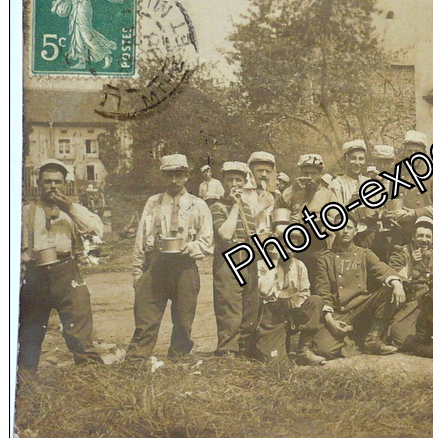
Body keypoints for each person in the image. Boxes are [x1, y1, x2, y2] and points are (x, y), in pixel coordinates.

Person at [18, 159, 105, 372]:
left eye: (57, 182)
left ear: (65, 184)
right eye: (47, 182)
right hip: (35, 275)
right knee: (31, 331)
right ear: (38, 184)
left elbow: (96, 231)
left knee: (79, 328)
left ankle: (91, 377)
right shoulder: (25, 211)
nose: (53, 186)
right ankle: (26, 383)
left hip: (66, 272)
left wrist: (70, 208)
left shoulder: (73, 210)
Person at [126, 154, 213, 362]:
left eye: (179, 175)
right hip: (156, 265)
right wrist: (137, 273)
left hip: (185, 266)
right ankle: (136, 359)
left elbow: (207, 243)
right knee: (146, 317)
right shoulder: (153, 203)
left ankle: (178, 357)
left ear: (186, 176)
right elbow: (140, 240)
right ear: (163, 176)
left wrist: (188, 247)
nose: (174, 180)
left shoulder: (198, 205)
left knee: (184, 319)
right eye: (169, 175)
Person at [311, 213, 406, 358]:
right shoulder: (324, 259)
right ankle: (354, 338)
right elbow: (323, 292)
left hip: (363, 308)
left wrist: (397, 284)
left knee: (389, 288)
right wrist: (330, 320)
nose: (345, 231)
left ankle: (372, 339)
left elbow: (383, 269)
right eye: (340, 227)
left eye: (349, 227)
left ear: (356, 231)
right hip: (340, 313)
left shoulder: (364, 254)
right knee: (324, 350)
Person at [251, 209, 327, 366]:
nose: (289, 249)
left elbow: (305, 292)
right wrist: (273, 263)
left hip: (293, 314)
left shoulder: (299, 266)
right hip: (271, 317)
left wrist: (298, 301)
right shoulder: (262, 264)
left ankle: (303, 350)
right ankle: (264, 345)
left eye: (294, 244)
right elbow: (263, 292)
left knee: (315, 301)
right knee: (276, 363)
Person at [209, 162, 261, 358]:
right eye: (230, 180)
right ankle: (227, 351)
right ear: (223, 182)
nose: (234, 184)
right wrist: (236, 206)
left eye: (238, 180)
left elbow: (252, 234)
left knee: (250, 305)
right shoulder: (217, 206)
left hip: (248, 259)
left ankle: (244, 349)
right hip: (227, 260)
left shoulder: (247, 207)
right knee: (229, 307)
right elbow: (225, 233)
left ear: (244, 182)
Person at [387, 216, 433, 349]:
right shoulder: (401, 252)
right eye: (420, 236)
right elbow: (393, 278)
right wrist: (411, 264)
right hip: (412, 304)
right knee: (400, 337)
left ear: (432, 239)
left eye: (428, 237)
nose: (424, 240)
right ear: (413, 237)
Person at [50, 0, 123, 70]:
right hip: (80, 7)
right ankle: (82, 60)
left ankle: (105, 53)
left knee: (85, 35)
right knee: (78, 33)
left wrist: (55, 5)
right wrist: (115, 0)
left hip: (82, 8)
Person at [388, 130, 433, 259]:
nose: (412, 155)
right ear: (404, 151)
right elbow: (391, 203)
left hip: (429, 238)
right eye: (409, 151)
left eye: (417, 152)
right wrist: (391, 213)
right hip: (403, 236)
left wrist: (413, 213)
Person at [280, 154, 335, 279]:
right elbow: (278, 207)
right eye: (306, 173)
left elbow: (337, 218)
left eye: (314, 173)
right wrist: (293, 189)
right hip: (292, 244)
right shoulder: (293, 190)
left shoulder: (327, 195)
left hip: (317, 247)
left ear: (320, 174)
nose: (309, 177)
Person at [329, 140, 368, 205]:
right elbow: (335, 212)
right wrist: (351, 202)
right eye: (353, 158)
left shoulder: (368, 182)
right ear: (345, 160)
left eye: (361, 159)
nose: (357, 163)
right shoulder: (337, 184)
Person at [247, 151, 279, 229]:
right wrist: (260, 207)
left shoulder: (273, 196)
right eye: (260, 170)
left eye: (268, 172)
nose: (264, 175)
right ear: (251, 171)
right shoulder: (243, 194)